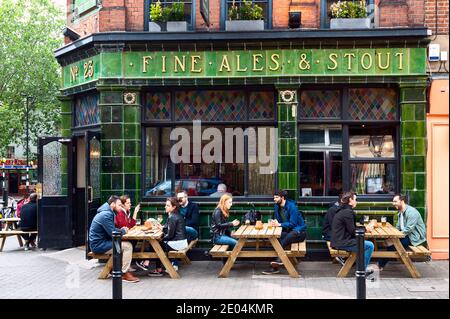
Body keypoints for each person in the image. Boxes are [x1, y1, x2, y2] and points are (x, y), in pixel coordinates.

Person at [88, 195, 139, 283]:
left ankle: (115, 268)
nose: (121, 207)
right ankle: (124, 273)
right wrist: (123, 231)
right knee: (127, 246)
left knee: (122, 245)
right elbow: (113, 233)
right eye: (119, 205)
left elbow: (111, 230)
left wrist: (122, 230)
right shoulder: (106, 214)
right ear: (112, 204)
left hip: (103, 242)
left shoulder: (108, 212)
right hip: (99, 245)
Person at [262, 190, 307, 275]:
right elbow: (279, 220)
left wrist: (279, 224)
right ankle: (276, 264)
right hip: (288, 232)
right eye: (274, 197)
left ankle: (277, 262)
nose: (274, 199)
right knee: (275, 238)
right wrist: (275, 222)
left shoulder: (292, 207)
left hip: (299, 232)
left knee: (288, 237)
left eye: (276, 197)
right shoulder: (277, 206)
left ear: (282, 197)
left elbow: (293, 224)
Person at [378, 194, 427, 270]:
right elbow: (398, 228)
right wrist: (393, 236)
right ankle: (380, 264)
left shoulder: (411, 212)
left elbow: (408, 229)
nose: (393, 204)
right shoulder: (400, 213)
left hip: (414, 238)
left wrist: (394, 238)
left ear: (402, 201)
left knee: (393, 246)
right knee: (391, 243)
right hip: (406, 235)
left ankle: (380, 265)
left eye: (395, 201)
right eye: (393, 202)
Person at [330, 191, 374, 277]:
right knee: (370, 245)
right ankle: (362, 270)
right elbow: (353, 231)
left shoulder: (343, 210)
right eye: (355, 199)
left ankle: (359, 268)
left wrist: (364, 229)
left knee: (364, 242)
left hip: (338, 240)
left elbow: (351, 228)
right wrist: (366, 229)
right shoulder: (347, 212)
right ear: (350, 200)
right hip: (341, 242)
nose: (356, 202)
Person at [149, 197, 187, 276]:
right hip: (181, 241)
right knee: (157, 243)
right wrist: (163, 228)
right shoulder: (177, 214)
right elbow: (172, 230)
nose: (165, 207)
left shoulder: (172, 216)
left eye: (168, 205)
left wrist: (161, 238)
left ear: (174, 207)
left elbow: (170, 235)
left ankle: (157, 269)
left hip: (177, 243)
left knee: (155, 245)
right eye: (166, 205)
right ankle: (152, 265)